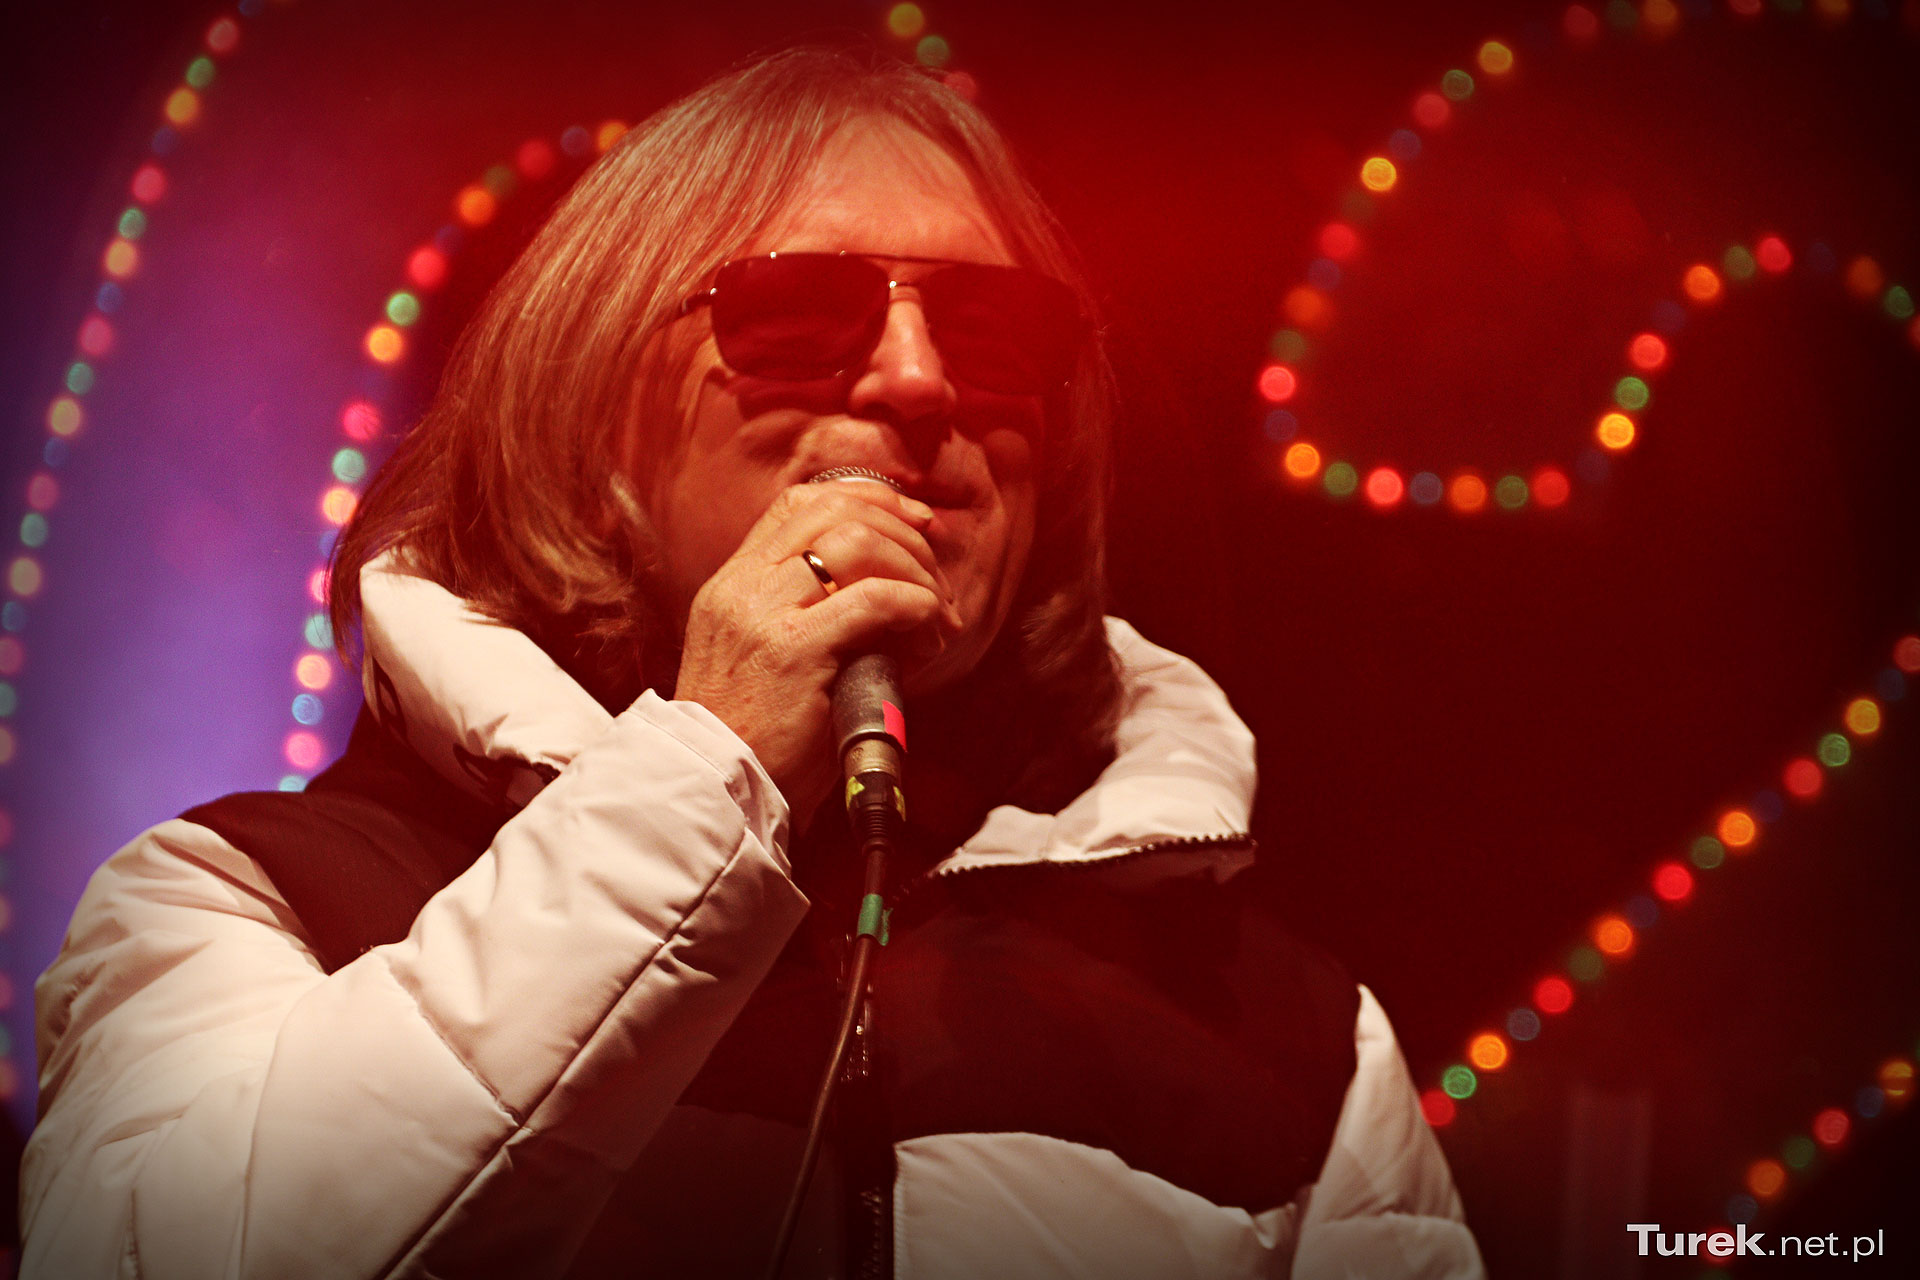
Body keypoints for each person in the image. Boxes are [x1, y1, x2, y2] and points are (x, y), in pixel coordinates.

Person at [21, 46, 1484, 1280]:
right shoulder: (241, 900)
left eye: (993, 330)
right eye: (797, 314)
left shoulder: (1285, 1033)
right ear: (588, 422)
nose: (918, 380)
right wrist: (701, 776)